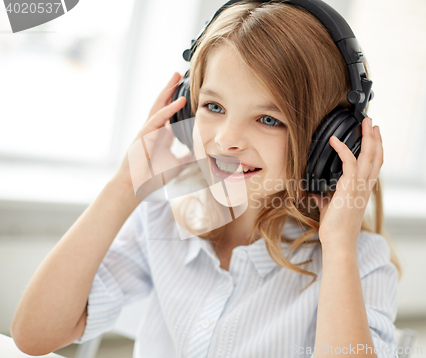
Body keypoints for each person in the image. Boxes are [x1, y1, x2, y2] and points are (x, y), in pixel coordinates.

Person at [10, 1, 401, 357]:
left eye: (268, 119)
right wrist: (126, 184)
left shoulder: (357, 261)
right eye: (213, 106)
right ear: (185, 112)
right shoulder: (164, 221)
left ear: (328, 143)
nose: (226, 139)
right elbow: (35, 335)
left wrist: (338, 249)